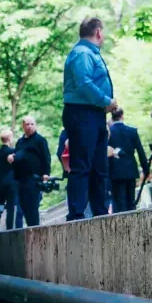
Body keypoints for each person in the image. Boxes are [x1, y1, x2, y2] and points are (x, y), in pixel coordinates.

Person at [62, 17, 116, 221]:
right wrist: (105, 101)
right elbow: (83, 83)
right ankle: (76, 215)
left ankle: (100, 212)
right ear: (99, 32)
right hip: (82, 113)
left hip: (95, 115)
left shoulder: (91, 54)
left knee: (99, 167)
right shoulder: (82, 53)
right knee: (82, 165)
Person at [8, 116, 50, 227]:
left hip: (34, 179)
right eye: (27, 124)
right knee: (23, 206)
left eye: (32, 124)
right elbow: (17, 155)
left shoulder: (40, 140)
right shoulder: (20, 142)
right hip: (20, 180)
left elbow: (46, 157)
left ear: (35, 125)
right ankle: (31, 227)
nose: (30, 126)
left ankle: (35, 228)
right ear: (23, 126)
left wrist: (46, 173)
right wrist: (12, 157)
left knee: (33, 206)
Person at [107, 109, 149, 213]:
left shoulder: (108, 132)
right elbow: (140, 152)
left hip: (114, 172)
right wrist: (146, 169)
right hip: (131, 171)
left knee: (119, 202)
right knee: (131, 201)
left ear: (112, 117)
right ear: (122, 116)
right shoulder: (132, 131)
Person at [0, 129, 17, 231]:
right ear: (10, 138)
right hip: (10, 183)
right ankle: (9, 229)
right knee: (10, 208)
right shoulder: (12, 151)